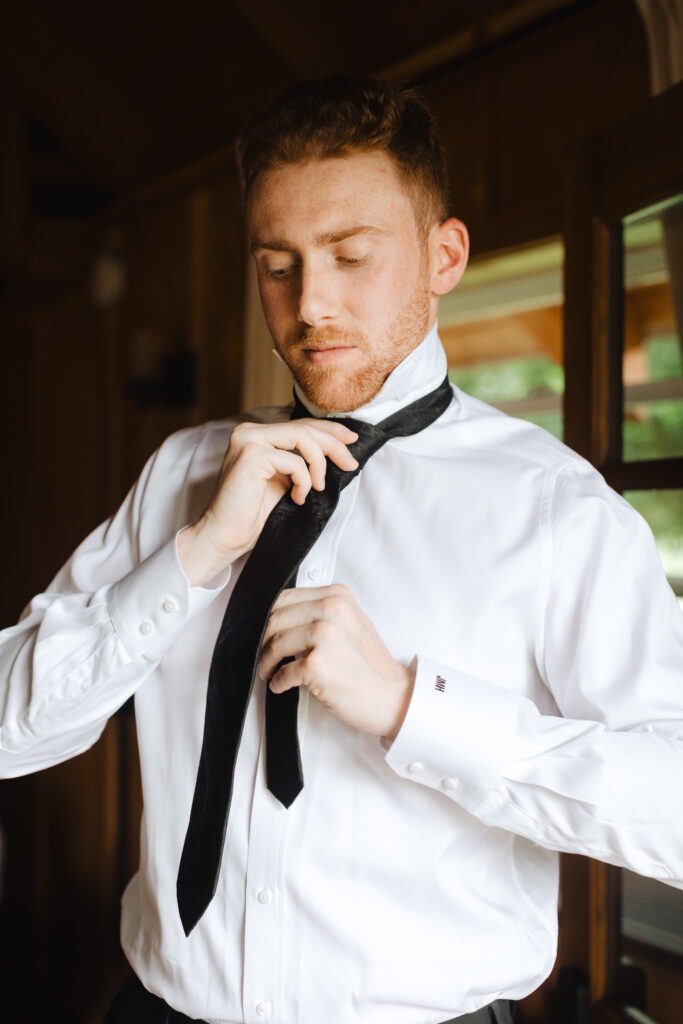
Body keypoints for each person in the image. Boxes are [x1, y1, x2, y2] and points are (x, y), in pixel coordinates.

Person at [1, 75, 682, 1024]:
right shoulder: (180, 476)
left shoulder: (555, 510)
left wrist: (414, 707)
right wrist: (194, 556)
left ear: (443, 255)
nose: (309, 304)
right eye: (276, 264)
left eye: (349, 255)